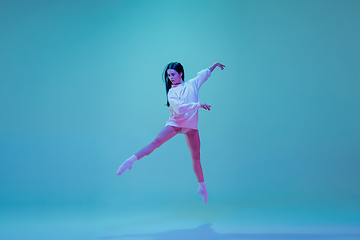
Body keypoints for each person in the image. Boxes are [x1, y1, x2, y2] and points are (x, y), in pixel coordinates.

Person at [117, 62, 225, 204]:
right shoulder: (172, 92)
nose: (171, 78)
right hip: (176, 123)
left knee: (196, 157)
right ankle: (130, 161)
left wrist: (215, 65)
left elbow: (205, 73)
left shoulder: (192, 84)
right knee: (155, 143)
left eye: (173, 74)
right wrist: (198, 105)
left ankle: (202, 188)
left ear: (181, 73)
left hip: (191, 125)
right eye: (169, 75)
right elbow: (180, 108)